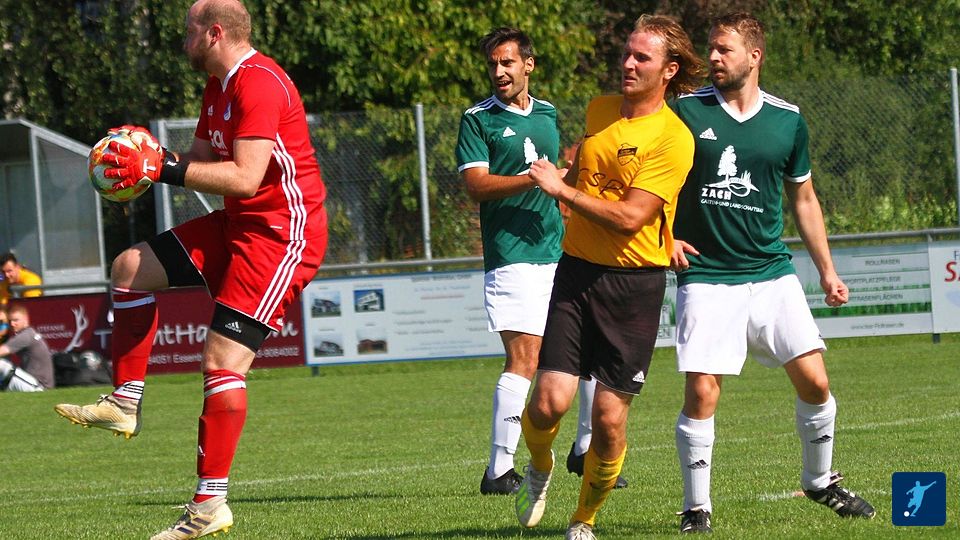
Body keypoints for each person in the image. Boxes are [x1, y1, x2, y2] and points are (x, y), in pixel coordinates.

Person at [53, 0, 327, 538]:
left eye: (188, 31)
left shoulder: (259, 83)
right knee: (129, 267)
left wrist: (162, 166)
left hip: (281, 235)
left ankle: (209, 506)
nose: (183, 41)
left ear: (214, 33)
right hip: (237, 224)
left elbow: (245, 178)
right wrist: (145, 158)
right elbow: (198, 164)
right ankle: (124, 402)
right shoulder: (218, 86)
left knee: (222, 362)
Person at [669, 12, 875, 534]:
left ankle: (820, 481)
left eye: (724, 49)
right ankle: (696, 508)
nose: (713, 57)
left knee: (816, 381)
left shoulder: (788, 120)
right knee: (702, 392)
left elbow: (803, 198)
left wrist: (827, 271)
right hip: (707, 273)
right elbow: (655, 181)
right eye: (711, 48)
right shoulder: (685, 111)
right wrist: (663, 236)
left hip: (771, 271)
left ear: (754, 56)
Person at [513, 15, 703, 540]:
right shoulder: (600, 110)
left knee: (609, 420)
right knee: (548, 403)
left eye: (642, 57)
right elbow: (582, 177)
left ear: (669, 70)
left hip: (634, 288)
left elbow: (630, 217)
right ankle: (540, 465)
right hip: (576, 273)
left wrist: (561, 191)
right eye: (627, 53)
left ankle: (584, 519)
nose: (628, 63)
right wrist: (559, 181)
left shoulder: (673, 138)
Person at [455, 27, 625, 496]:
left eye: (507, 62)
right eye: (493, 64)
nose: (499, 71)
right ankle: (498, 471)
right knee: (525, 358)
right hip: (512, 257)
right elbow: (475, 186)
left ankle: (584, 451)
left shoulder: (547, 113)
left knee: (589, 351)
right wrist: (535, 180)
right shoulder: (478, 119)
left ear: (528, 65)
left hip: (559, 251)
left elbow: (560, 178)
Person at [0, 303, 55, 392]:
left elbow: (1, 351)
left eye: (16, 320)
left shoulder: (25, 335)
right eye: (10, 321)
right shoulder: (30, 333)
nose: (12, 324)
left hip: (38, 387)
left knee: (2, 364)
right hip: (34, 383)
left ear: (26, 320)